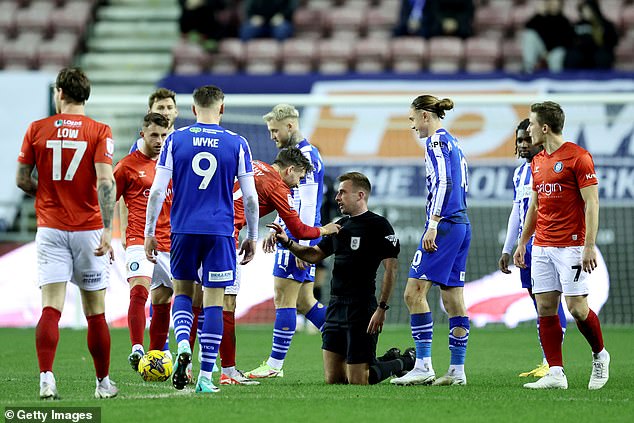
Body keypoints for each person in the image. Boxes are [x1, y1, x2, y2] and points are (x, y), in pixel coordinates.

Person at [188, 147, 341, 385]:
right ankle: (227, 371)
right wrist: (324, 230)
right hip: (222, 235)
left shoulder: (254, 164)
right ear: (290, 169)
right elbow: (300, 228)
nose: (298, 185)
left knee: (196, 298)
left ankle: (186, 363)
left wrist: (252, 234)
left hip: (192, 226)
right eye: (299, 178)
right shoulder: (279, 185)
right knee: (226, 302)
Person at [144, 85, 259, 394]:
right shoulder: (237, 143)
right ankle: (206, 377)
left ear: (193, 110)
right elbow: (250, 197)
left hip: (182, 229)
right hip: (220, 232)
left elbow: (156, 191)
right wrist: (251, 234)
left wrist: (150, 231)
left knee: (181, 293)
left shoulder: (174, 139)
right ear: (221, 109)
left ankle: (182, 345)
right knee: (214, 303)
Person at [16, 67, 118, 399]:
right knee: (95, 311)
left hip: (50, 229)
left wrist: (46, 194)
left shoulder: (37, 129)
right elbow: (106, 181)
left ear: (59, 92)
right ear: (85, 95)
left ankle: (47, 378)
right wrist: (106, 226)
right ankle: (103, 383)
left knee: (51, 308)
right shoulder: (99, 130)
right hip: (88, 229)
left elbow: (21, 179)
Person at [268, 172, 414, 385]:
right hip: (336, 306)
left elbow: (391, 270)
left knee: (358, 380)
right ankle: (386, 359)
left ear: (360, 195)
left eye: (342, 192)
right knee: (334, 379)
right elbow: (314, 254)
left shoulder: (379, 225)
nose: (337, 197)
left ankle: (404, 361)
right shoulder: (340, 225)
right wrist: (288, 243)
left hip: (362, 308)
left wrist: (381, 308)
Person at [514, 101, 609, 390]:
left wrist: (589, 245)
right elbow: (534, 204)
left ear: (544, 127)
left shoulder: (578, 158)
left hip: (571, 245)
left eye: (531, 124)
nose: (528, 130)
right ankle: (556, 372)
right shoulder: (538, 160)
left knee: (577, 309)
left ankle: (600, 355)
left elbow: (592, 203)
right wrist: (523, 242)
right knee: (545, 307)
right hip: (542, 245)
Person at [391, 95, 471, 387]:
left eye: (412, 119)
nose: (412, 126)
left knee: (413, 293)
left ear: (425, 116)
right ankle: (457, 371)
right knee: (452, 299)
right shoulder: (454, 142)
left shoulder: (435, 141)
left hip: (446, 224)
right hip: (461, 222)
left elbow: (445, 182)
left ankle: (423, 365)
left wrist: (434, 223)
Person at [245, 104, 327, 379]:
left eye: (274, 130)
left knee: (283, 297)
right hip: (294, 231)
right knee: (305, 301)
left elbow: (309, 200)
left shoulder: (305, 156)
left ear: (290, 126)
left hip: (299, 236)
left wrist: (298, 244)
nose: (271, 136)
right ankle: (347, 342)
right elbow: (293, 199)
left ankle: (275, 365)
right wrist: (280, 225)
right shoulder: (302, 155)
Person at [498, 119, 567, 378]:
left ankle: (553, 363)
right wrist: (509, 247)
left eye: (527, 139)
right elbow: (517, 211)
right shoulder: (520, 173)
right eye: (519, 140)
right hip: (527, 247)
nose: (523, 144)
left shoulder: (553, 167)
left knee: (551, 300)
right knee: (538, 301)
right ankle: (548, 360)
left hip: (550, 243)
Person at [114, 113, 173, 372]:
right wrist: (107, 234)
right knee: (139, 290)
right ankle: (137, 348)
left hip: (170, 242)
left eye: (163, 135)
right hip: (139, 237)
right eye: (154, 135)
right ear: (142, 135)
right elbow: (106, 200)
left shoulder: (173, 164)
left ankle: (156, 356)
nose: (159, 140)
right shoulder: (127, 166)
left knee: (164, 298)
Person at [564, 0, 619, 70]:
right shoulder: (577, 25)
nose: (585, 13)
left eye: (588, 10)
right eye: (583, 10)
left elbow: (613, 40)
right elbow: (569, 40)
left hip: (598, 52)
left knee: (603, 57)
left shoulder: (605, 24)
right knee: (572, 57)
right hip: (581, 52)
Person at [522, 0, 575, 73]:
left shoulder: (564, 21)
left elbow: (567, 41)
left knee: (557, 54)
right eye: (552, 2)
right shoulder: (542, 18)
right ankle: (528, 71)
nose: (554, 5)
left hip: (555, 51)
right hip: (543, 50)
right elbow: (528, 27)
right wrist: (539, 14)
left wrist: (550, 51)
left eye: (556, 3)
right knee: (529, 35)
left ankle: (556, 77)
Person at [393, 0, 474, 39]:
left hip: (426, 25)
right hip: (408, 25)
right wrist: (408, 24)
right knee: (396, 31)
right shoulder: (407, 1)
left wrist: (456, 23)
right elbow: (403, 14)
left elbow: (432, 13)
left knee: (431, 29)